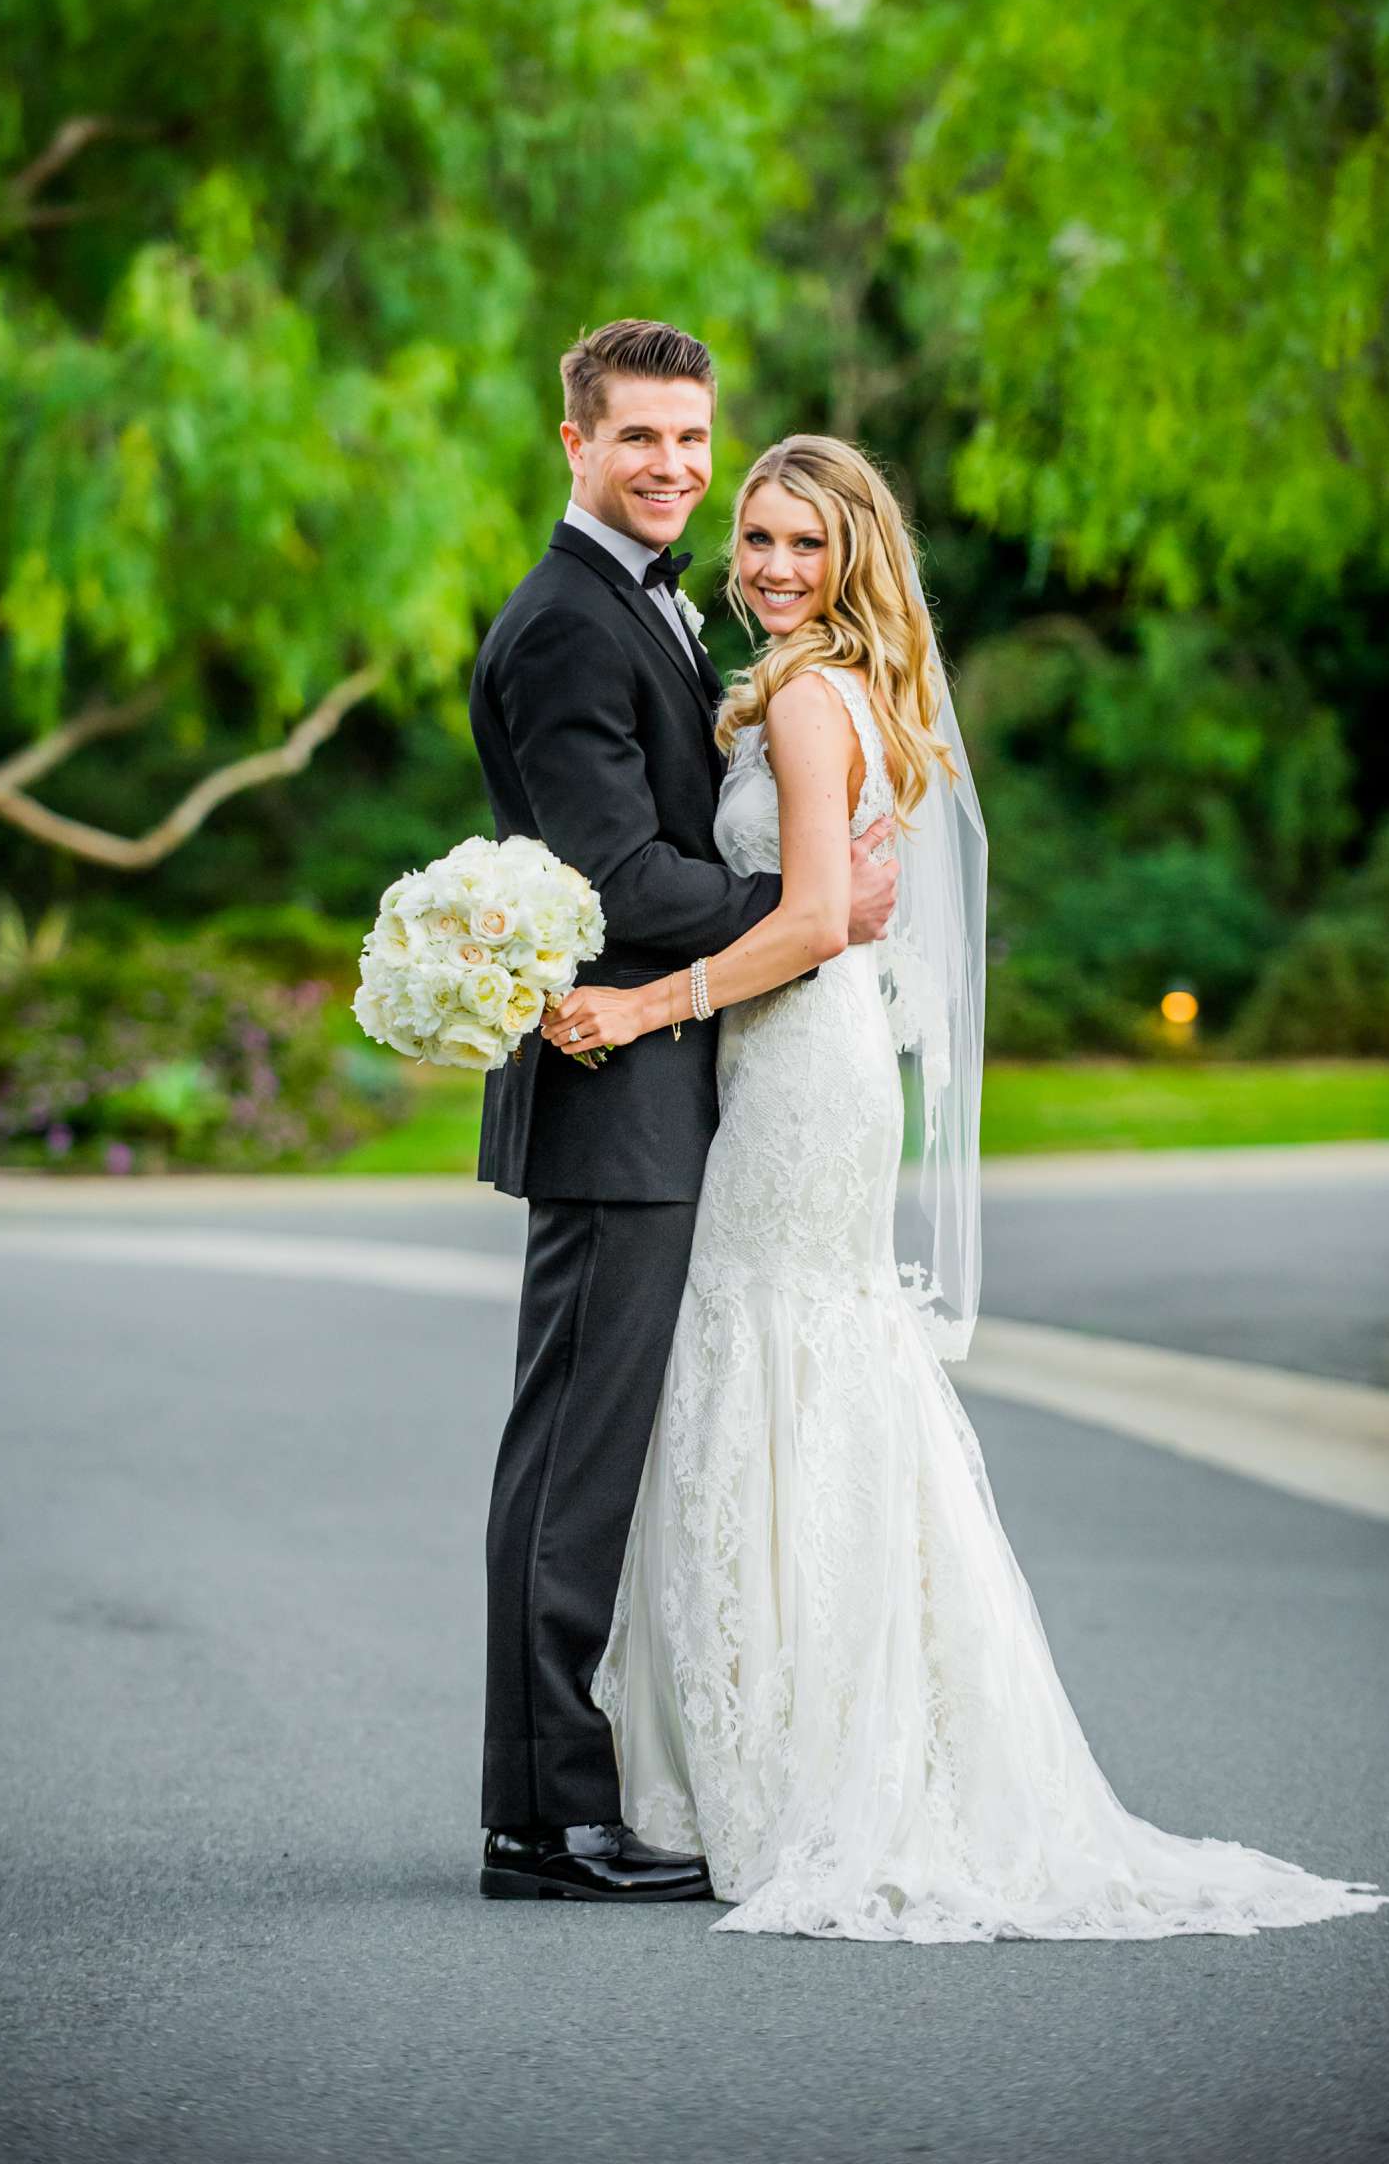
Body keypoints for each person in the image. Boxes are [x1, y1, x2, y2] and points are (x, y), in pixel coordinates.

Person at [544, 432, 1389, 1943]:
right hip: (807, 1068)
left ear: (858, 556)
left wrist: (639, 1006)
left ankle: (807, 1762)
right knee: (801, 1377)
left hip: (800, 1073)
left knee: (773, 1373)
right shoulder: (821, 690)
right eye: (758, 538)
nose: (772, 567)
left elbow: (812, 918)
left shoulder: (812, 700)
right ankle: (822, 1738)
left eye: (806, 543)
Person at [467, 324, 900, 1901]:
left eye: (692, 439)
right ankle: (547, 1821)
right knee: (574, 1465)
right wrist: (800, 903)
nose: (674, 468)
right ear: (573, 440)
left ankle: (576, 1798)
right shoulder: (570, 626)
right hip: (616, 1095)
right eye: (640, 437)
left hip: (679, 1093)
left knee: (600, 1456)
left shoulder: (646, 609)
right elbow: (619, 880)